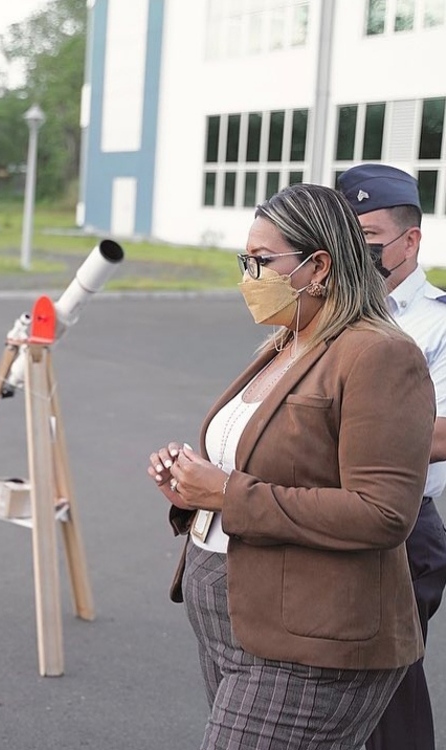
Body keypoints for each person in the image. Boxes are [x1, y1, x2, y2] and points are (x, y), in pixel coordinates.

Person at [146, 183, 435, 749]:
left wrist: (229, 493)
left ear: (318, 265)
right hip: (237, 618)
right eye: (244, 260)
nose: (248, 276)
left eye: (260, 261)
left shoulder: (377, 353)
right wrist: (191, 486)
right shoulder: (287, 341)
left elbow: (382, 513)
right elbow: (267, 465)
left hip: (309, 640)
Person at [337, 163, 446, 750]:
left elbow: (442, 432)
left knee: (388, 686)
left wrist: (338, 443)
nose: (360, 249)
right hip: (330, 513)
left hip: (402, 528)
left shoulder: (437, 322)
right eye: (349, 236)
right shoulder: (336, 314)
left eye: (371, 237)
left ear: (412, 239)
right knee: (331, 679)